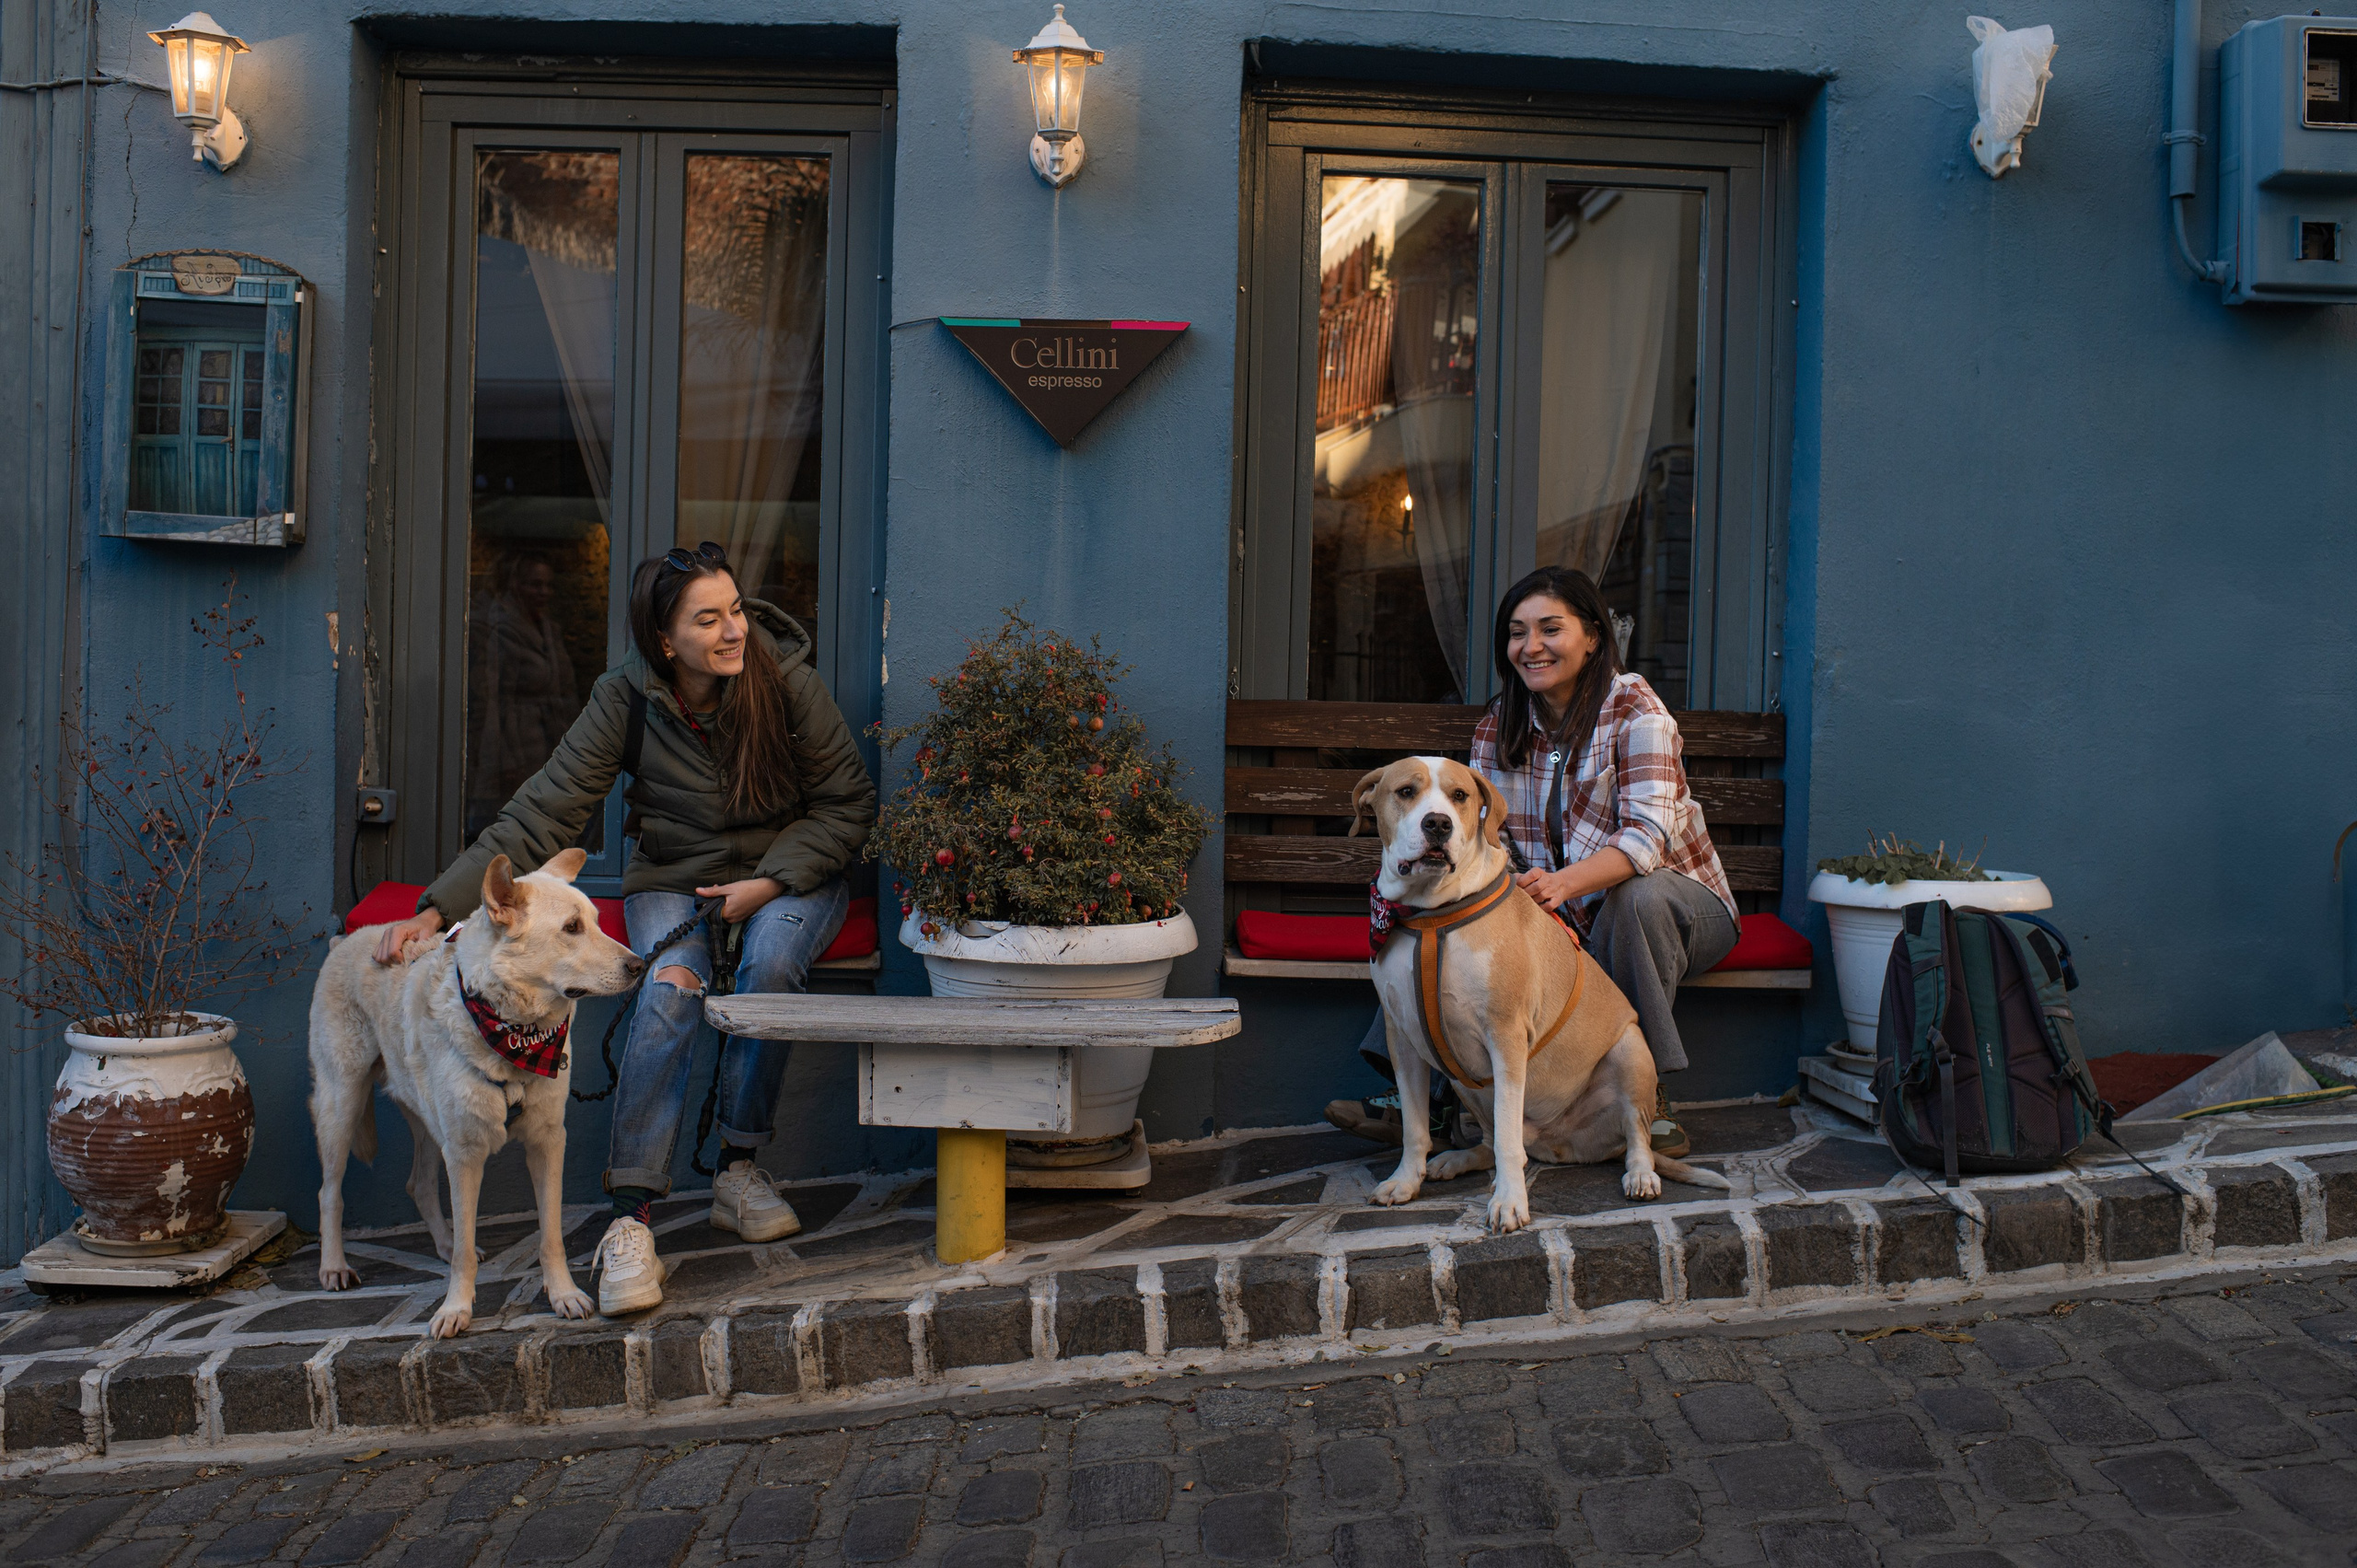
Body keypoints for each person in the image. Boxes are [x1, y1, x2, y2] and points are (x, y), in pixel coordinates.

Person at [371, 540, 876, 1315]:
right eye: (708, 619)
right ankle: (631, 1219)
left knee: (771, 962)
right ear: (665, 640)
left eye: (736, 610)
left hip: (788, 872)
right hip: (674, 876)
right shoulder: (626, 698)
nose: (733, 629)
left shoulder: (787, 682)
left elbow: (848, 803)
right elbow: (545, 811)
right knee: (669, 988)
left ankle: (738, 1168)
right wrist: (438, 906)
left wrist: (768, 882)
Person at [1328, 564, 1736, 1157]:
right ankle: (1430, 1105)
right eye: (1517, 633)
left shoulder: (1635, 709)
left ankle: (1645, 1097)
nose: (1532, 646)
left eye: (1551, 628)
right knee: (1439, 920)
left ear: (1592, 637)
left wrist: (1562, 886)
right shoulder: (1500, 725)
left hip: (1677, 905)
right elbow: (1485, 842)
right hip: (1560, 907)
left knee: (1636, 900)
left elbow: (1647, 838)